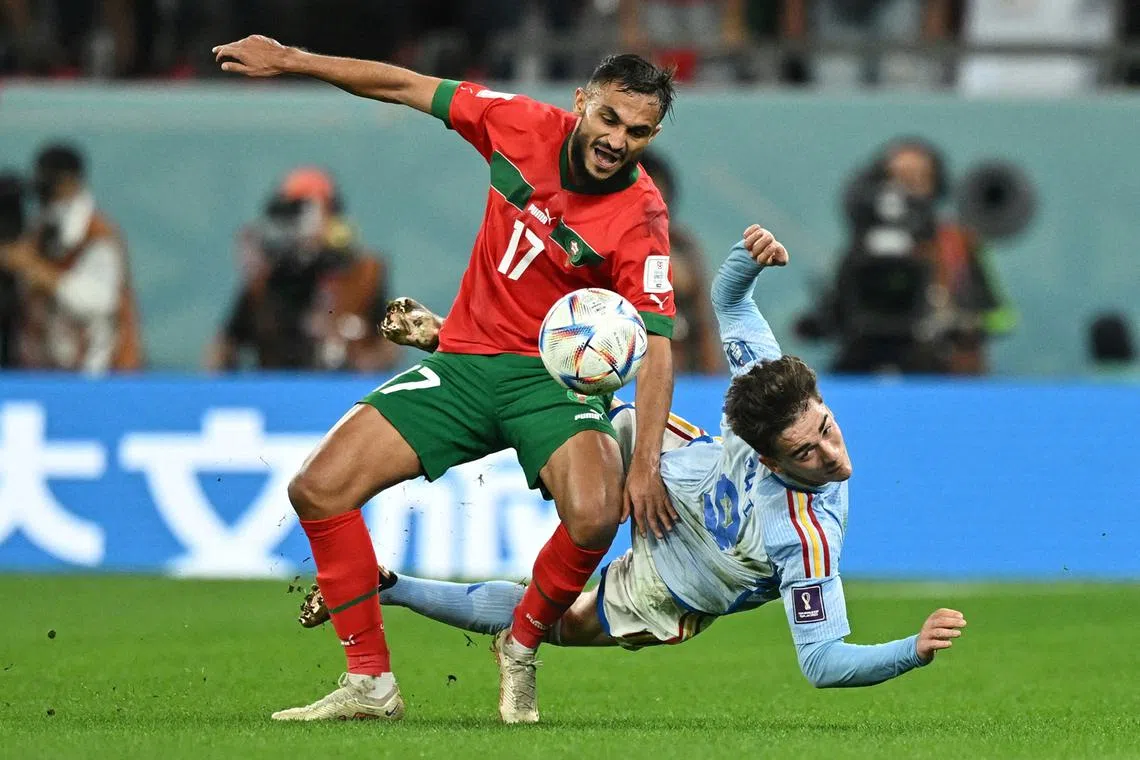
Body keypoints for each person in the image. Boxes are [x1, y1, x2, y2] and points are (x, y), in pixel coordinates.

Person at [212, 36, 679, 723]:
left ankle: (520, 645)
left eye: (637, 132)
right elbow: (403, 85)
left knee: (595, 514)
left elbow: (658, 345)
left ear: (652, 136)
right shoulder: (516, 122)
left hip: (552, 386)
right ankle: (370, 684)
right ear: (581, 102)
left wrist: (645, 466)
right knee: (318, 488)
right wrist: (292, 61)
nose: (617, 140)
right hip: (463, 366)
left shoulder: (642, 216)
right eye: (609, 118)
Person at [300, 225, 968, 687]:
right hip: (675, 475)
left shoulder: (799, 504)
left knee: (556, 618)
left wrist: (910, 650)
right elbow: (732, 296)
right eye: (808, 449)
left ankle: (391, 586)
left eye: (825, 431)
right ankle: (466, 347)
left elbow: (822, 662)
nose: (832, 454)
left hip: (683, 576)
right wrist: (750, 255)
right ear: (767, 457)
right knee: (577, 390)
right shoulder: (787, 454)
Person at [204, 167, 399, 372]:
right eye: (288, 213)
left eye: (304, 211)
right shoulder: (265, 280)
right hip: (278, 383)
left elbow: (389, 346)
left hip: (343, 385)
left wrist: (363, 368)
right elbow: (225, 345)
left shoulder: (363, 275)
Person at [0, 142, 143, 374]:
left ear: (72, 183)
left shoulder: (96, 234)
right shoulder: (37, 233)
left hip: (101, 372)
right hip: (46, 370)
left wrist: (39, 273)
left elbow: (101, 301)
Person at [638, 150, 722, 374]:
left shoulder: (683, 247)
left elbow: (704, 326)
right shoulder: (593, 252)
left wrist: (713, 382)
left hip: (683, 377)